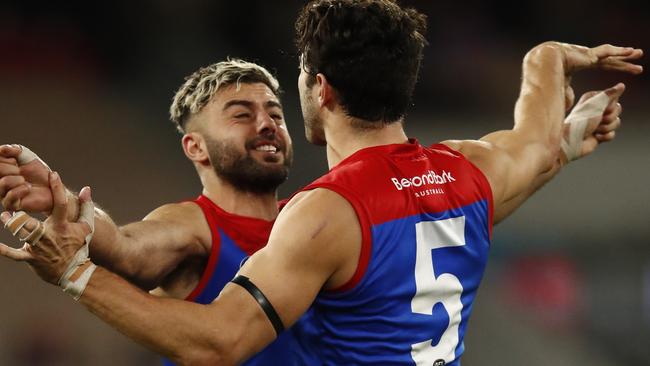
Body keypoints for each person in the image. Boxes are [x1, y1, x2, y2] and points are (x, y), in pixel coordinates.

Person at [0, 1, 642, 365]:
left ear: (321, 90)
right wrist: (547, 65)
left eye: (287, 91)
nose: (270, 117)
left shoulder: (325, 212)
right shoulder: (469, 172)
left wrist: (75, 275)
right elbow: (533, 148)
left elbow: (222, 341)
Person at [0, 59, 299, 365]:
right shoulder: (194, 225)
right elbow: (126, 248)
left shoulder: (310, 218)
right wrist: (60, 197)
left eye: (275, 113)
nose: (267, 125)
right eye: (241, 116)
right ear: (196, 147)